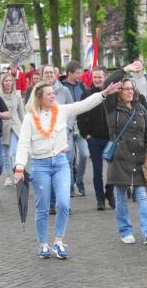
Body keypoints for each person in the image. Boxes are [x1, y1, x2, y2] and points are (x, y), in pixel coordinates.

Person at [14, 80, 122, 259]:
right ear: (39, 98)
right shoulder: (30, 117)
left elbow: (83, 105)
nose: (52, 96)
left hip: (60, 163)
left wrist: (104, 94)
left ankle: (58, 241)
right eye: (48, 94)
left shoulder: (61, 111)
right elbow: (23, 144)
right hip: (40, 165)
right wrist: (19, 167)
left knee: (64, 203)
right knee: (42, 207)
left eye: (53, 93)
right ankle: (43, 244)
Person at [104, 78, 147, 245]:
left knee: (142, 195)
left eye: (131, 89)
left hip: (139, 158)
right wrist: (126, 69)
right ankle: (125, 231)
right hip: (120, 158)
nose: (129, 91)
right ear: (118, 91)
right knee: (120, 196)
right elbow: (109, 81)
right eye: (125, 89)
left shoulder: (140, 108)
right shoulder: (112, 108)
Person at [77, 67, 115, 210]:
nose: (97, 79)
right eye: (95, 77)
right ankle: (100, 199)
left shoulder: (112, 94)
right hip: (94, 139)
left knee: (113, 169)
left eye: (100, 77)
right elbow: (80, 114)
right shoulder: (86, 94)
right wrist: (85, 134)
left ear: (105, 77)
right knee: (97, 171)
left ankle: (109, 192)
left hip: (111, 139)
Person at [41, 65, 73, 214]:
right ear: (42, 75)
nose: (49, 74)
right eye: (46, 72)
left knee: (66, 168)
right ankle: (53, 203)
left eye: (51, 72)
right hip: (46, 138)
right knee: (52, 170)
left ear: (56, 74)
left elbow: (72, 110)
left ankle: (65, 202)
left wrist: (69, 128)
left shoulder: (65, 91)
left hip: (64, 136)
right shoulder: (37, 92)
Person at [61, 61, 89, 196]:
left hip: (81, 126)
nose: (80, 75)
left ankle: (79, 180)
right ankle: (70, 186)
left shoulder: (82, 86)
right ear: (69, 73)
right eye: (78, 73)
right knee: (69, 158)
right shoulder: (61, 87)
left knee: (84, 154)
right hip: (66, 128)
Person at [0, 73, 25, 186]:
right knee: (5, 154)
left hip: (15, 126)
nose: (8, 83)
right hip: (3, 127)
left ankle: (16, 174)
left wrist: (25, 127)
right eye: (6, 81)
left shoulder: (17, 95)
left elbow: (21, 113)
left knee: (13, 152)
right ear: (2, 83)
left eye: (10, 80)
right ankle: (8, 176)